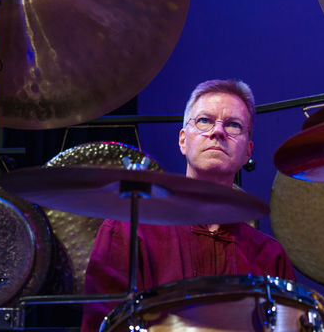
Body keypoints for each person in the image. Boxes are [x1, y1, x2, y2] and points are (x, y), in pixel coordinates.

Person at [81, 79, 296, 331]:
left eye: (233, 125)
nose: (218, 132)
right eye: (204, 120)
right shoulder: (127, 231)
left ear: (248, 151)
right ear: (183, 140)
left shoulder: (270, 256)